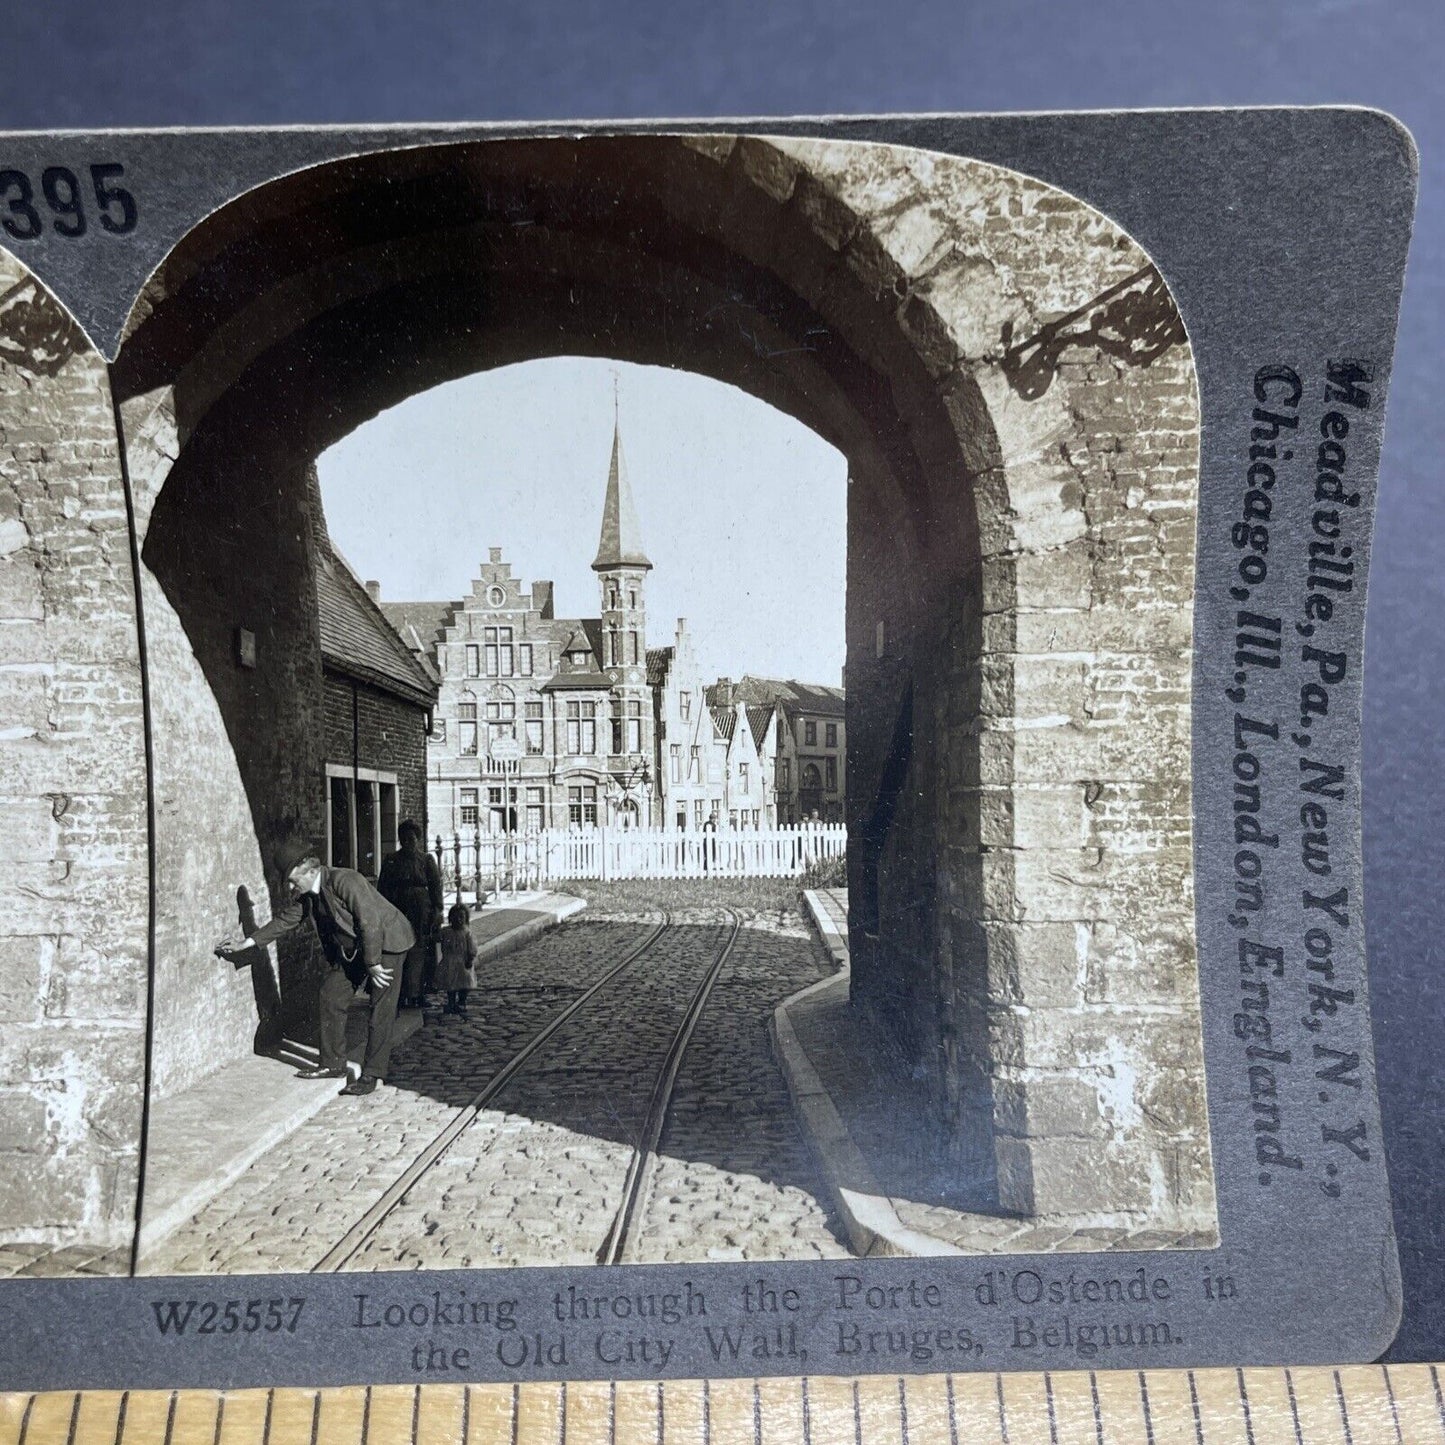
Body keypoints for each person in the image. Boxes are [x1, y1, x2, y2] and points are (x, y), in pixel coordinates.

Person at [216, 841, 414, 1097]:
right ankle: (333, 1064)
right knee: (331, 995)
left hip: (387, 944)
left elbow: (370, 921)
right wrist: (247, 942)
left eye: (291, 880)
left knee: (380, 1009)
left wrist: (373, 963)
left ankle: (371, 1074)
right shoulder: (310, 894)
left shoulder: (346, 880)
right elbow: (286, 920)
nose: (289, 887)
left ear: (309, 871)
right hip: (356, 948)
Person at [378, 819, 444, 1010]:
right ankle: (400, 995)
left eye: (411, 839)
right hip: (399, 910)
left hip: (422, 912)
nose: (407, 842)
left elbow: (435, 886)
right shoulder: (391, 860)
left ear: (418, 840)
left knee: (422, 951)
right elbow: (383, 888)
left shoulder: (426, 860)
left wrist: (437, 910)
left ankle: (419, 994)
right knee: (399, 951)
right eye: (403, 839)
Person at [435, 902, 478, 1019]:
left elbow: (472, 947)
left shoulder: (467, 933)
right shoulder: (446, 931)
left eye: (461, 917)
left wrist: (470, 958)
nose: (458, 920)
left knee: (464, 984)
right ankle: (451, 1002)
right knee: (451, 984)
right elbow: (437, 938)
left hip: (463, 961)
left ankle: (462, 1002)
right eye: (455, 917)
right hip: (449, 961)